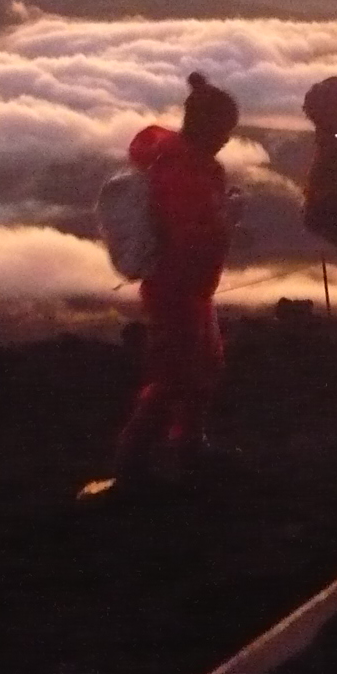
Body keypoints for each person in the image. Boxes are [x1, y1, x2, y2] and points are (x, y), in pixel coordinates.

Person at [110, 72, 240, 489]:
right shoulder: (186, 169)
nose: (226, 140)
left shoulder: (173, 157)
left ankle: (187, 444)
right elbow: (191, 234)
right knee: (175, 374)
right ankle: (134, 461)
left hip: (186, 286)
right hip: (178, 286)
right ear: (210, 127)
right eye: (224, 131)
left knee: (203, 365)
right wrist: (227, 218)